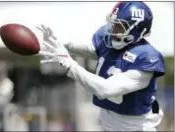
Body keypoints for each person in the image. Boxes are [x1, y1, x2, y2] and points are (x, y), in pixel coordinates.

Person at [38, 1, 165, 131]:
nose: (112, 30)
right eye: (114, 23)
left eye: (119, 27)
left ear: (137, 30)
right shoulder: (110, 41)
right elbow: (89, 49)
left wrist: (69, 64)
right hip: (107, 126)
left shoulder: (146, 57)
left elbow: (105, 89)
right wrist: (57, 44)